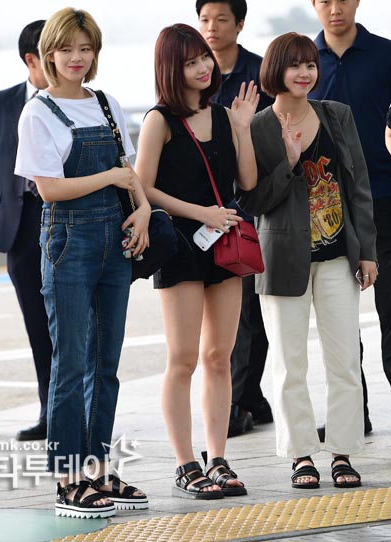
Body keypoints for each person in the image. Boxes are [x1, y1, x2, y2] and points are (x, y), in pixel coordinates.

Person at [14, 7, 150, 518]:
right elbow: (49, 189)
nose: (77, 57)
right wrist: (112, 180)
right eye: (67, 49)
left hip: (115, 238)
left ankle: (98, 469)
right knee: (70, 363)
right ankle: (68, 478)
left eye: (85, 48)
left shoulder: (107, 103)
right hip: (68, 240)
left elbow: (129, 170)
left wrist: (142, 209)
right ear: (48, 54)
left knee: (105, 363)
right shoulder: (38, 112)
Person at [237, 32, 377, 489]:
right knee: (288, 364)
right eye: (295, 65)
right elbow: (251, 200)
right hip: (281, 260)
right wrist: (289, 162)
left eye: (310, 65)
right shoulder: (258, 127)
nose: (304, 73)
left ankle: (342, 452)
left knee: (345, 360)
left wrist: (368, 252)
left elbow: (357, 186)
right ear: (276, 70)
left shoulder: (337, 115)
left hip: (338, 258)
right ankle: (300, 455)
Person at [134, 23, 258, 499]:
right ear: (171, 68)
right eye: (190, 62)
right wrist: (199, 212)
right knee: (184, 358)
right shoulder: (159, 120)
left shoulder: (223, 115)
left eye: (204, 57)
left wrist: (243, 129)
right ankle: (185, 464)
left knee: (218, 357)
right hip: (181, 247)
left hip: (225, 244)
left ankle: (218, 458)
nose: (203, 66)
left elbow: (247, 181)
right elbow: (143, 187)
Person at [309, 0, 391, 439]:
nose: (334, 7)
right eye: (324, 0)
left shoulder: (385, 54)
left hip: (384, 198)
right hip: (328, 208)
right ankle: (352, 414)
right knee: (339, 319)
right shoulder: (304, 61)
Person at [196, 0, 275, 438]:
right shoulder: (194, 73)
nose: (212, 27)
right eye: (204, 20)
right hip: (206, 212)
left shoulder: (260, 73)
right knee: (226, 316)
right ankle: (249, 399)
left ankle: (240, 402)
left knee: (250, 313)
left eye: (221, 19)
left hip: (254, 205)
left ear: (240, 24)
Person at [0, 20, 53, 442]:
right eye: (52, 53)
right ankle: (48, 411)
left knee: (72, 324)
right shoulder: (1, 103)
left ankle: (76, 410)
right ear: (30, 60)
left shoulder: (76, 101)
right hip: (19, 227)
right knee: (37, 323)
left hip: (64, 220)